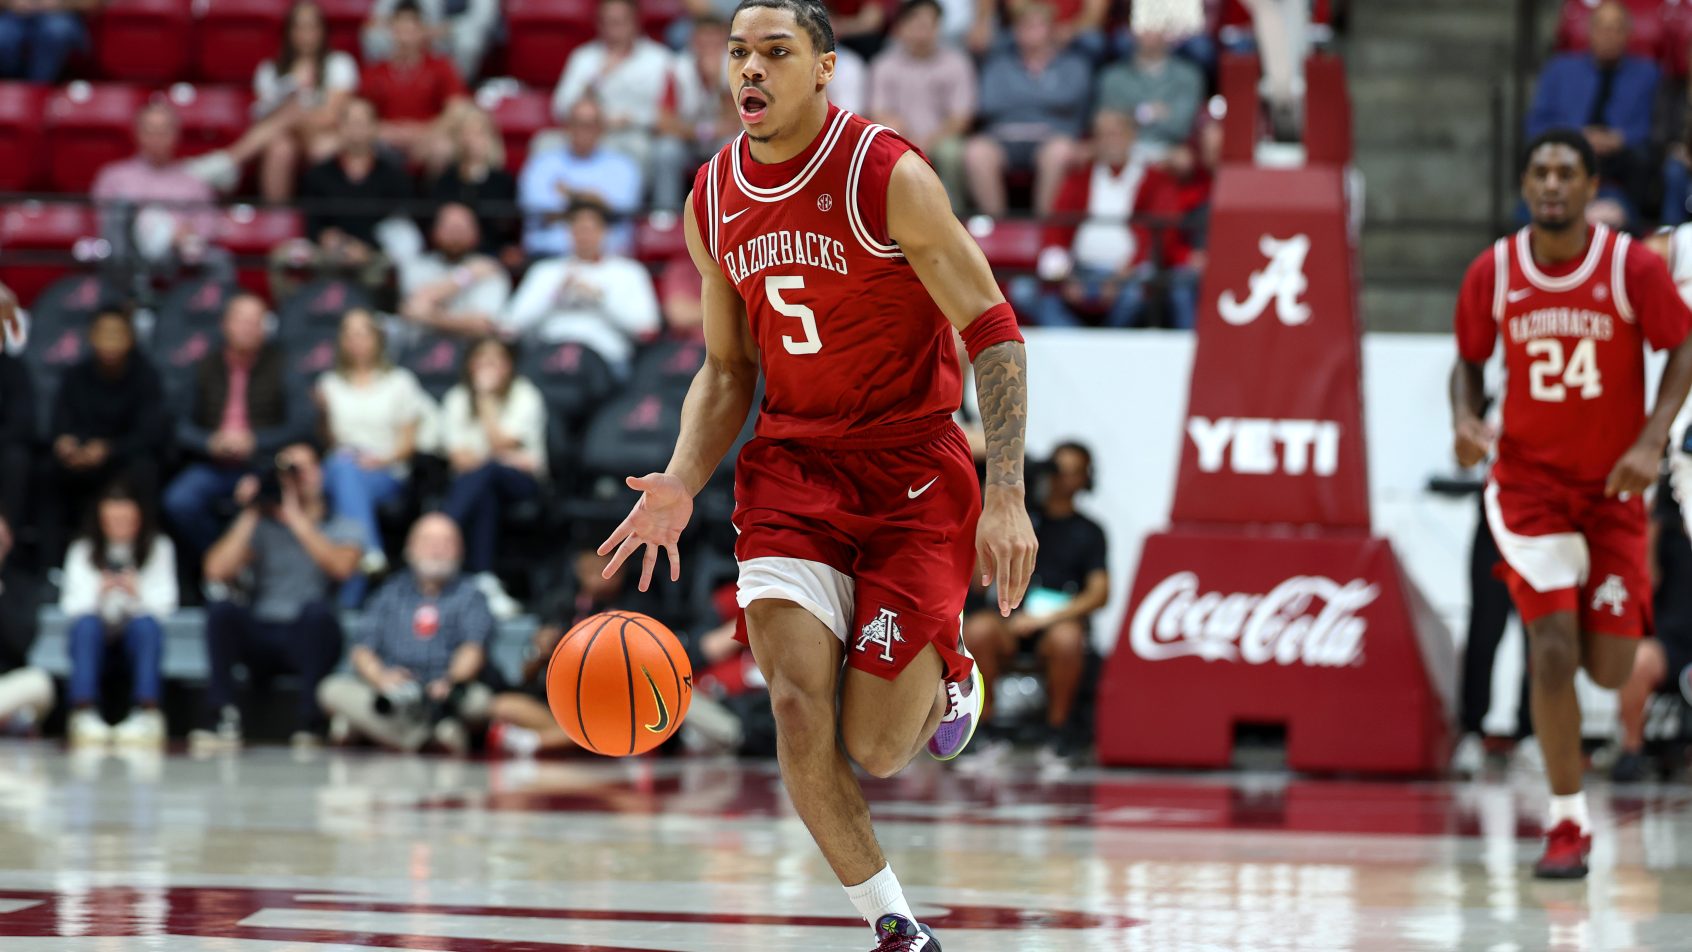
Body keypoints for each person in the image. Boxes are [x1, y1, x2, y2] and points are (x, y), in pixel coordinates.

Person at [596, 2, 1035, 947]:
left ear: (826, 68)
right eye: (738, 54)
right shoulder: (711, 197)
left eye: (776, 53)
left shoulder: (888, 174)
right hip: (793, 470)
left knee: (876, 746)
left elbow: (993, 328)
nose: (749, 70)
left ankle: (951, 668)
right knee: (796, 706)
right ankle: (892, 925)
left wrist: (1006, 493)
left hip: (912, 468)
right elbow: (727, 370)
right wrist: (680, 478)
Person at [1449, 129, 1692, 878]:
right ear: (1526, 186)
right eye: (1539, 172)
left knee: (1612, 670)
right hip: (1528, 490)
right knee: (1549, 648)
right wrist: (1463, 421)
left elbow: (1683, 347)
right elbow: (1468, 364)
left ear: (1591, 187)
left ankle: (1597, 638)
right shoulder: (1493, 270)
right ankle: (1566, 823)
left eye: (1566, 172)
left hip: (1614, 492)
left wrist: (1653, 439)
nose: (1552, 183)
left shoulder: (1630, 268)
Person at [196, 443, 362, 749]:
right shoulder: (260, 525)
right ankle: (221, 715)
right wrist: (251, 511)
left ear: (318, 475)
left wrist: (296, 516)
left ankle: (310, 722)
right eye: (285, 470)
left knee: (318, 614)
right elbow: (216, 571)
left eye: (300, 470)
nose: (292, 479)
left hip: (308, 634)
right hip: (262, 630)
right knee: (221, 610)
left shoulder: (340, 525)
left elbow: (341, 568)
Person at [962, 441, 1106, 765]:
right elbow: (976, 581)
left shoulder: (1089, 531)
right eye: (1058, 470)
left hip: (1054, 622)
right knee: (978, 629)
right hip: (1009, 618)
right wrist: (989, 506)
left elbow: (1099, 593)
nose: (1062, 479)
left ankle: (1057, 733)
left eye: (1073, 472)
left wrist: (1046, 619)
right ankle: (983, 729)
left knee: (1068, 638)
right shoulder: (1020, 521)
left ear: (1086, 478)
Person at [317, 513, 493, 753]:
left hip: (443, 692)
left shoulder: (471, 595)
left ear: (460, 550)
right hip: (394, 691)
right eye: (429, 541)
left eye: (446, 542)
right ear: (410, 548)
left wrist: (450, 681)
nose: (437, 550)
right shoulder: (388, 593)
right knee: (331, 689)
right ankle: (424, 739)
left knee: (479, 702)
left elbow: (473, 649)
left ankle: (377, 732)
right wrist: (382, 678)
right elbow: (362, 650)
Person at [163, 294, 314, 560]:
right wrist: (208, 442)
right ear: (225, 324)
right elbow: (177, 424)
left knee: (273, 500)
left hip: (265, 462)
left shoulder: (283, 364)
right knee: (179, 501)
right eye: (241, 321)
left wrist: (256, 441)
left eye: (256, 322)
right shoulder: (203, 364)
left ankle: (245, 566)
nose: (248, 328)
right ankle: (218, 565)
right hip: (212, 461)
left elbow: (302, 423)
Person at [488, 540, 665, 756]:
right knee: (503, 705)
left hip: (614, 701)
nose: (601, 574)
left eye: (608, 566)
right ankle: (584, 741)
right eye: (592, 568)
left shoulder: (639, 608)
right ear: (578, 569)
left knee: (618, 717)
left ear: (623, 567)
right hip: (565, 705)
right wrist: (539, 653)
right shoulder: (561, 604)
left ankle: (537, 741)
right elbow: (526, 675)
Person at [1026, 110, 1186, 329]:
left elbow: (1163, 237)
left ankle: (1106, 342)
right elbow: (1055, 231)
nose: (1112, 142)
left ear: (1132, 137)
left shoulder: (1156, 180)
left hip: (1127, 274)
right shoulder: (1079, 178)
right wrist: (1065, 276)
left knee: (1136, 294)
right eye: (1104, 135)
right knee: (1023, 290)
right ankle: (1077, 343)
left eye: (1118, 134)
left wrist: (1124, 274)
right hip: (1079, 272)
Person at [40, 309, 168, 568]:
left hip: (125, 458)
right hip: (82, 458)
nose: (110, 341)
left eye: (117, 334)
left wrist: (108, 450)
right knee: (45, 473)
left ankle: (143, 562)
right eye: (103, 334)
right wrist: (67, 443)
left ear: (131, 339)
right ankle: (50, 568)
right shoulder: (75, 375)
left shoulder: (146, 376)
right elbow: (60, 423)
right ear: (90, 337)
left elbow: (150, 433)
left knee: (147, 470)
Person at [316, 308, 433, 579]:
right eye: (349, 334)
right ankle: (370, 554)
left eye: (363, 333)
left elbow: (408, 442)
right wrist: (321, 415)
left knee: (346, 485)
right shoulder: (329, 384)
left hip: (386, 469)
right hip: (340, 466)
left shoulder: (400, 382)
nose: (356, 340)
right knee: (343, 468)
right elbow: (330, 442)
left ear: (378, 338)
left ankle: (364, 555)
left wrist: (380, 460)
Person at [61, 482, 178, 747]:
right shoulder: (83, 550)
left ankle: (147, 712)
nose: (120, 526)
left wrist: (137, 594)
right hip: (97, 635)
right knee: (85, 626)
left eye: (127, 520)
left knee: (147, 626)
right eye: (112, 520)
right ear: (100, 521)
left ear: (139, 519)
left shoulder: (159, 547)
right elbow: (71, 608)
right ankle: (83, 711)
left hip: (135, 636)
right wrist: (99, 593)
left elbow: (166, 607)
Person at [439, 337, 548, 619]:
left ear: (508, 366)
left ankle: (443, 527)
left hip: (522, 483)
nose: (488, 367)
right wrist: (494, 455)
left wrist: (485, 399)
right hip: (479, 483)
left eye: (495, 360)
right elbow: (458, 459)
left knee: (487, 471)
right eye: (481, 359)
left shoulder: (525, 394)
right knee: (484, 488)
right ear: (470, 365)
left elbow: (501, 443)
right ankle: (484, 579)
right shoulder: (457, 398)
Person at [272, 98, 415, 304]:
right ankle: (297, 315)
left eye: (363, 123)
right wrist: (326, 238)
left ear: (374, 128)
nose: (357, 130)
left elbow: (398, 225)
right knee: (282, 258)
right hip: (328, 251)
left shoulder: (394, 176)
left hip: (374, 253)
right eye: (350, 123)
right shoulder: (319, 174)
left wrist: (366, 249)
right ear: (340, 128)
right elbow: (311, 222)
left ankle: (382, 317)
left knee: (394, 266)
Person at [1524, 1, 1657, 216]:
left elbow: (1655, 127)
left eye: (1617, 28)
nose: (1609, 35)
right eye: (1603, 27)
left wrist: (1619, 138)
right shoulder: (1560, 69)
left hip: (1619, 169)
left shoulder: (1647, 74)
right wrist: (1578, 136)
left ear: (1628, 34)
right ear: (1590, 31)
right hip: (1566, 158)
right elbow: (1536, 124)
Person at [963, 2, 1088, 217]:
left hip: (1052, 136)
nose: (1030, 32)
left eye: (1037, 26)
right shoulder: (998, 63)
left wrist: (1020, 95)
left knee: (1059, 153)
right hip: (1004, 136)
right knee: (976, 152)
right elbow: (989, 103)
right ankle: (998, 228)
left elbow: (1071, 99)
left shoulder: (1072, 64)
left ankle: (1047, 229)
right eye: (1023, 26)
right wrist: (1042, 96)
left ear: (1051, 30)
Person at [502, 201, 660, 372]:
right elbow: (509, 326)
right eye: (578, 229)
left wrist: (600, 299)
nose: (584, 236)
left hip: (606, 360)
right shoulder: (545, 271)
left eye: (591, 229)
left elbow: (647, 329)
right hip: (549, 357)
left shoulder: (629, 272)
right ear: (568, 232)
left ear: (605, 232)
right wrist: (555, 294)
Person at [1611, 479, 1692, 781]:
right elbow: (1645, 580)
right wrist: (1652, 526)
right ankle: (1632, 750)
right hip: (1672, 641)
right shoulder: (1664, 526)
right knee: (1637, 660)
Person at [868, 0, 976, 214]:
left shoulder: (957, 63)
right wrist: (905, 139)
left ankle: (954, 215)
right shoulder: (883, 64)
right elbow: (878, 113)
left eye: (929, 25)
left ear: (939, 28)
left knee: (951, 152)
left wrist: (928, 141)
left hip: (942, 138)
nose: (922, 32)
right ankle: (890, 217)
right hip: (899, 138)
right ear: (901, 28)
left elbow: (961, 118)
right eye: (916, 24)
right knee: (881, 148)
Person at [253, 0, 362, 203]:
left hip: (323, 133)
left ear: (323, 31)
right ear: (289, 32)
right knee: (280, 150)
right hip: (285, 136)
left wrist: (293, 111)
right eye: (299, 26)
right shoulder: (269, 69)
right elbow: (262, 117)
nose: (306, 34)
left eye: (312, 26)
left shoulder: (340, 63)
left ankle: (231, 158)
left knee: (323, 147)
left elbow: (331, 117)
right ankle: (276, 222)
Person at [550, 0, 674, 175]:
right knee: (544, 143)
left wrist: (632, 119)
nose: (613, 29)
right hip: (587, 131)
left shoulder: (659, 59)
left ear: (635, 22)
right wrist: (597, 79)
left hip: (634, 133)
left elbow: (668, 113)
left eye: (619, 22)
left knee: (638, 148)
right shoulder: (583, 57)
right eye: (607, 22)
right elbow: (560, 107)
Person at [518, 97, 643, 259]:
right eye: (577, 123)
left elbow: (618, 208)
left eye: (590, 125)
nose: (583, 130)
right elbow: (538, 207)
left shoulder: (623, 166)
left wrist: (569, 194)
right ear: (566, 127)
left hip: (609, 260)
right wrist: (594, 203)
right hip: (548, 257)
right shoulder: (541, 163)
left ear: (601, 128)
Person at [360, 0, 471, 169]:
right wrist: (382, 130)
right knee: (360, 144)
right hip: (385, 140)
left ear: (423, 31)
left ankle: (436, 195)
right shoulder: (375, 72)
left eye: (411, 30)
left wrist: (424, 132)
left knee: (443, 148)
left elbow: (457, 109)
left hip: (428, 138)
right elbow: (360, 112)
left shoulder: (441, 67)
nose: (406, 37)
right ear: (391, 31)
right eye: (400, 30)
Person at [654, 14, 738, 212]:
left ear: (724, 42)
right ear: (693, 41)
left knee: (732, 147)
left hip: (721, 139)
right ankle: (666, 215)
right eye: (703, 41)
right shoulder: (677, 68)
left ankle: (727, 213)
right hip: (687, 140)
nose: (708, 48)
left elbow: (740, 120)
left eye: (714, 42)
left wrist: (717, 82)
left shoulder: (737, 66)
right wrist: (699, 132)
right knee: (666, 151)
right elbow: (663, 121)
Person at [398, 204, 512, 339]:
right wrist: (466, 276)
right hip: (422, 349)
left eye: (461, 229)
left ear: (477, 233)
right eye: (450, 228)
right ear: (434, 232)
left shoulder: (490, 268)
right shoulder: (417, 266)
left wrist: (430, 317)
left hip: (471, 351)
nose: (455, 236)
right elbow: (412, 308)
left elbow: (484, 325)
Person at [1094, 25, 1205, 158]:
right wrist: (1153, 112)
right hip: (1124, 149)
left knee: (1182, 159)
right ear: (1131, 31)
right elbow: (1107, 122)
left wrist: (1131, 116)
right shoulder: (1112, 77)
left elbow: (1180, 127)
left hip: (1168, 149)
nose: (1148, 31)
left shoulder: (1188, 75)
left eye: (1154, 24)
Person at [429, 107, 519, 259]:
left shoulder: (503, 181)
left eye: (479, 134)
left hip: (491, 258)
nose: (472, 141)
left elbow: (507, 228)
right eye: (467, 133)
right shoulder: (445, 180)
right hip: (448, 256)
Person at [0, 515, 53, 736]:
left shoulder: (21, 586)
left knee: (39, 683)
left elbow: (21, 642)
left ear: (9, 541)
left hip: (7, 683)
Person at [361, 0, 498, 82]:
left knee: (469, 40)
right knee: (374, 35)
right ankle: (384, 82)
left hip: (449, 36)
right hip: (416, 30)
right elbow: (378, 17)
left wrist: (444, 29)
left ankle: (460, 85)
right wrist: (405, 26)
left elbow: (483, 20)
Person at [0, 0, 94, 84]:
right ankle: (10, 94)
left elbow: (91, 3)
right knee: (3, 36)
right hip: (13, 15)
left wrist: (59, 3)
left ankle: (38, 90)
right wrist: (11, 2)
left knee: (56, 32)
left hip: (60, 14)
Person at [0, 329, 34, 539]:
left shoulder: (13, 368)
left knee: (17, 459)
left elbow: (22, 423)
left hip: (3, 446)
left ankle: (7, 544)